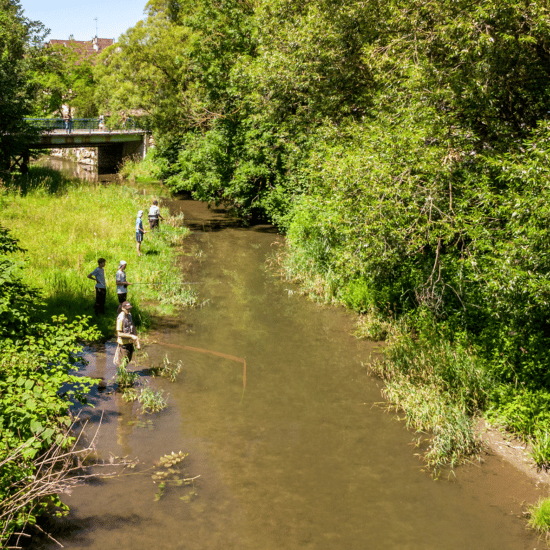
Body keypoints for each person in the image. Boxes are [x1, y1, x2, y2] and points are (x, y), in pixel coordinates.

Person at [114, 300, 140, 366]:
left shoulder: (129, 315)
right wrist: (131, 336)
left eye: (130, 309)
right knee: (122, 363)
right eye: (127, 309)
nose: (129, 310)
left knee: (128, 360)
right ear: (123, 308)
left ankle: (123, 374)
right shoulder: (120, 318)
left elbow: (132, 326)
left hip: (130, 343)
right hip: (123, 344)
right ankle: (120, 375)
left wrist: (136, 339)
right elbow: (119, 334)